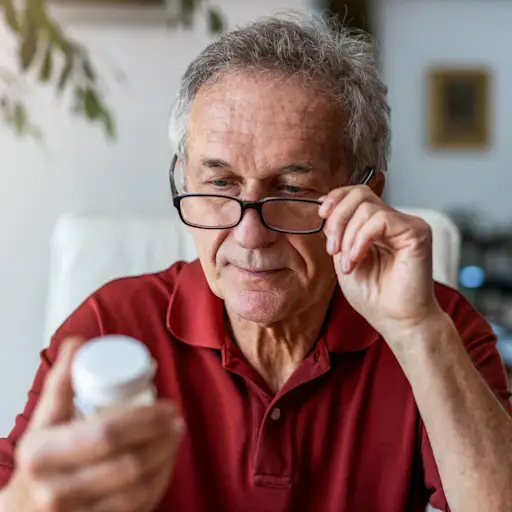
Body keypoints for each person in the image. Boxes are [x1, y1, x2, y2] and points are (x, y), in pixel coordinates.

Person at [0, 12, 511, 512]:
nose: (250, 234)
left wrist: (419, 333)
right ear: (185, 180)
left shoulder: (439, 330)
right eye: (220, 184)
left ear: (366, 196)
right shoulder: (112, 325)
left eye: (292, 189)